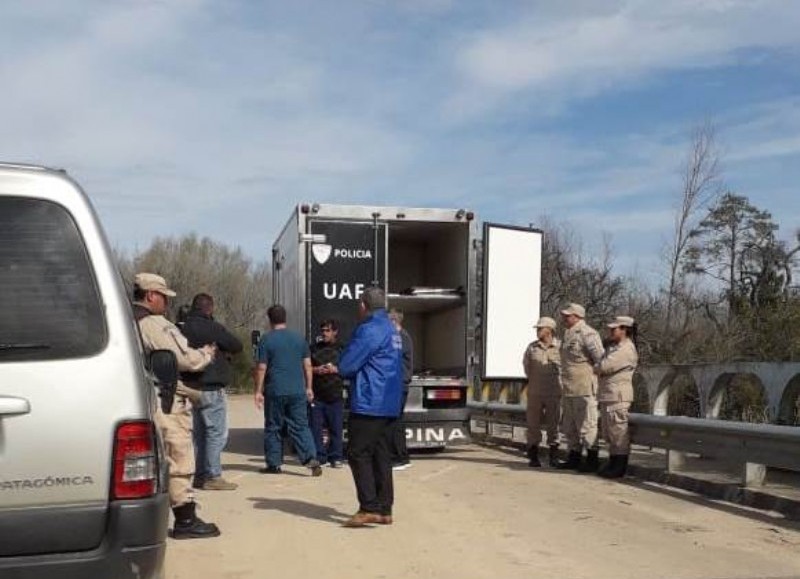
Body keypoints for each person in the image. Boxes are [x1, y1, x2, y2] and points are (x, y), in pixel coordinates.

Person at [132, 273, 221, 540]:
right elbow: (185, 360)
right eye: (163, 297)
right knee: (179, 456)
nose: (166, 303)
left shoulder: (128, 321)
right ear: (150, 295)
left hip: (145, 397)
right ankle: (186, 519)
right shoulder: (154, 323)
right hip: (167, 399)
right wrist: (207, 353)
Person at [331, 287, 403, 527]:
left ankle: (368, 506)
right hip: (389, 402)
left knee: (357, 452)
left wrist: (339, 366)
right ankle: (385, 508)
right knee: (381, 453)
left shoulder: (369, 329)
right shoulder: (392, 329)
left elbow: (348, 364)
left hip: (370, 400)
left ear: (364, 305)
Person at [180, 293, 243, 491]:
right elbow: (236, 345)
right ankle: (213, 475)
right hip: (212, 386)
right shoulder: (213, 328)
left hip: (191, 387)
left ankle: (199, 475)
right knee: (216, 433)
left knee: (198, 434)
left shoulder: (181, 328)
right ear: (209, 308)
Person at [253, 305, 322, 476]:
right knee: (300, 426)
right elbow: (307, 365)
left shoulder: (267, 340)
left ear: (270, 320)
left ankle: (274, 464)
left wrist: (258, 391)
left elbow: (262, 368)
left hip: (275, 390)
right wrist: (309, 387)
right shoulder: (299, 339)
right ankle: (311, 459)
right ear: (285, 318)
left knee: (273, 427)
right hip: (297, 391)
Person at [557, 303, 604, 472]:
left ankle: (592, 460)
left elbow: (600, 358)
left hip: (584, 387)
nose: (564, 318)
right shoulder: (567, 334)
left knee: (587, 425)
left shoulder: (588, 333)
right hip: (569, 388)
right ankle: (574, 457)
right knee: (570, 426)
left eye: (568, 315)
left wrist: (594, 377)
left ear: (577, 316)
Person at [595, 316, 638, 479]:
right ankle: (613, 462)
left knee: (619, 432)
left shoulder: (626, 349)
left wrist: (598, 366)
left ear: (624, 330)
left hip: (618, 396)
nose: (610, 332)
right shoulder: (614, 348)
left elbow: (604, 366)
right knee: (610, 432)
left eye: (614, 329)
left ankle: (619, 466)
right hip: (608, 395)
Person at [522, 316, 562, 468]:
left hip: (554, 392)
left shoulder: (560, 347)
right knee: (533, 425)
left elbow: (565, 368)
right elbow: (526, 367)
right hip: (535, 392)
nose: (537, 331)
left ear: (550, 330)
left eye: (540, 328)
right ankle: (533, 456)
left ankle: (554, 456)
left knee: (554, 425)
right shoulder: (532, 347)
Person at [309, 319, 345, 468]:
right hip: (318, 396)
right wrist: (316, 370)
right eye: (323, 330)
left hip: (335, 395)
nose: (324, 333)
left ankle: (336, 457)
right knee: (316, 428)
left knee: (336, 428)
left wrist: (335, 369)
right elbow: (305, 368)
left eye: (328, 330)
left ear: (335, 332)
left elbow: (349, 367)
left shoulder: (343, 349)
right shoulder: (313, 348)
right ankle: (320, 456)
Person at [388, 309, 413, 471]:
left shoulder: (401, 338)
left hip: (399, 384)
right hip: (397, 384)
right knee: (394, 420)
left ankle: (401, 457)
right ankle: (397, 455)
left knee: (396, 421)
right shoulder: (400, 336)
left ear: (394, 321)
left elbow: (393, 357)